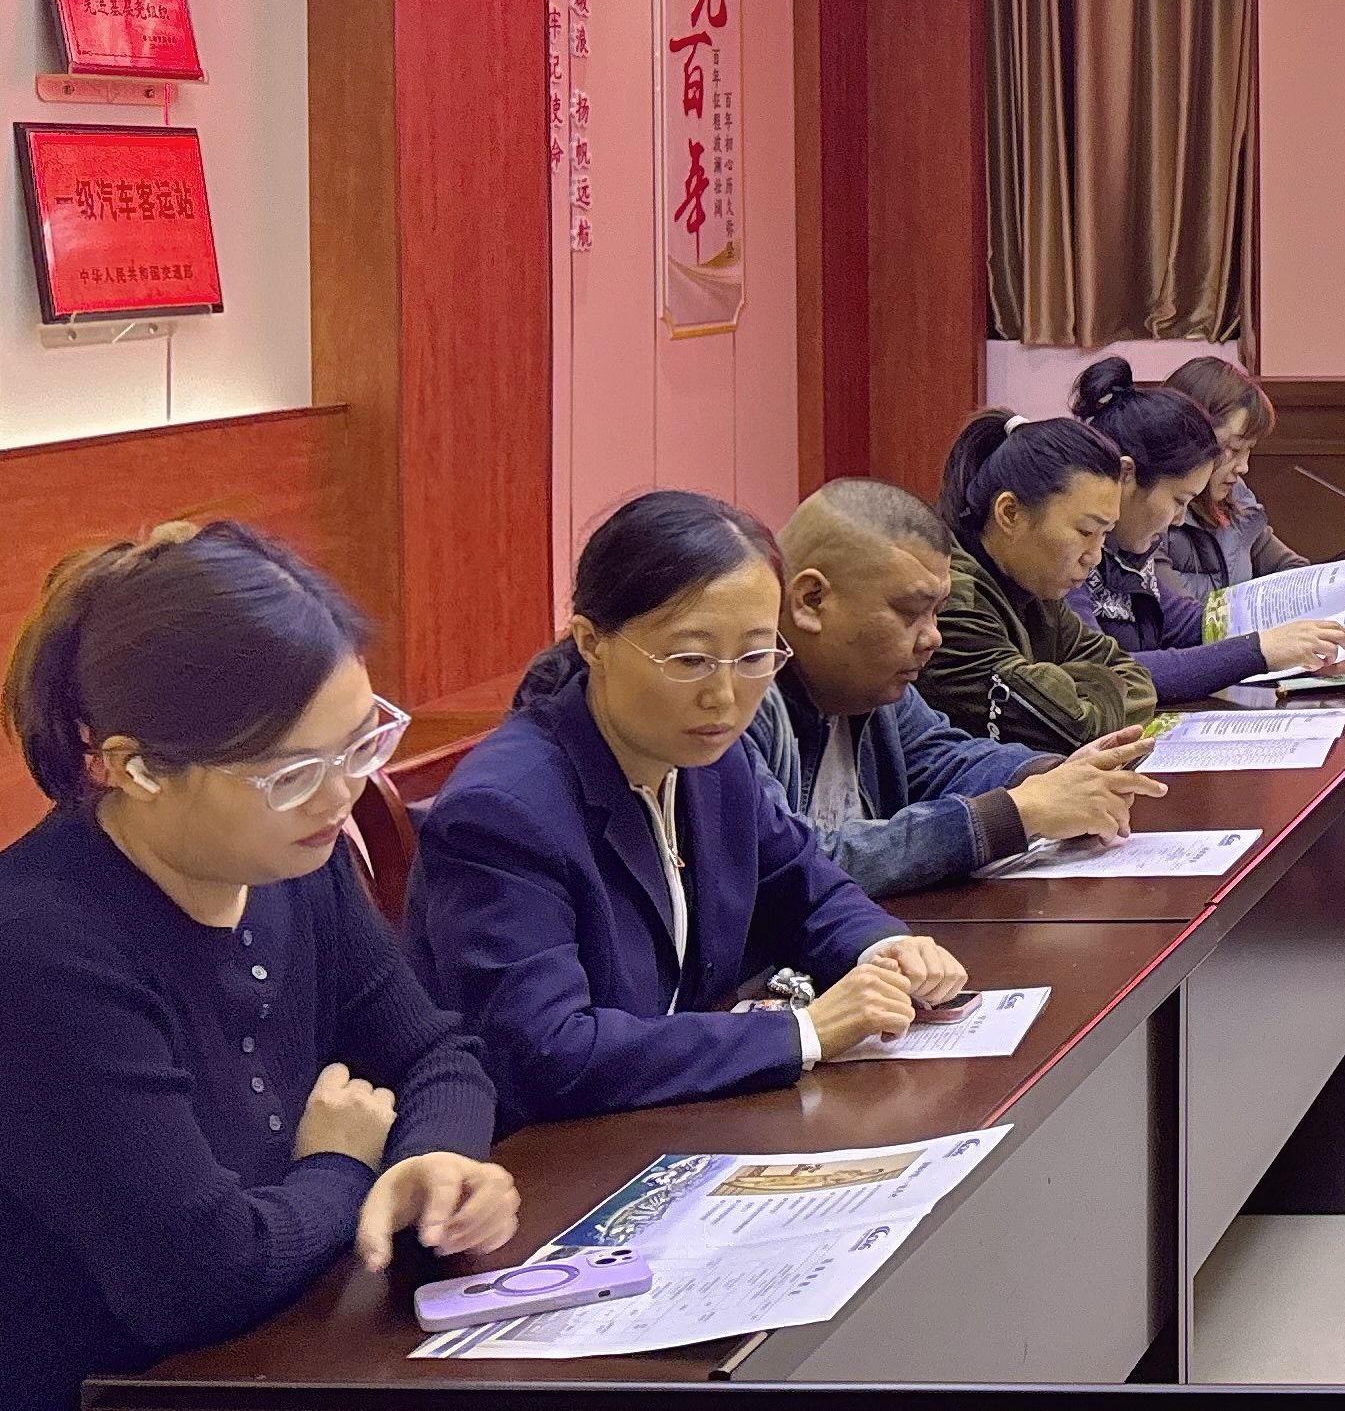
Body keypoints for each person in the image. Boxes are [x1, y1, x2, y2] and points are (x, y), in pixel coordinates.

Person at [0, 525, 520, 1411]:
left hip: (195, 1405)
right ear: (134, 767)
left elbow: (437, 1053)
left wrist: (433, 1160)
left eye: (360, 743)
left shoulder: (288, 864)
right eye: (292, 771)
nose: (342, 793)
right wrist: (344, 1165)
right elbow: (204, 1279)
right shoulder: (33, 957)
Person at [412, 490, 967, 1122]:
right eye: (690, 660)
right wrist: (802, 1033)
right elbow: (544, 1053)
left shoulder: (715, 760)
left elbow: (803, 885)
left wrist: (880, 948)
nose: (724, 697)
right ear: (592, 642)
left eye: (755, 656)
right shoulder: (502, 812)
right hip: (554, 1149)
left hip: (673, 1110)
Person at [749, 478, 1167, 897]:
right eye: (910, 612)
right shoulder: (737, 702)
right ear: (812, 600)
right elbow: (788, 867)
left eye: (937, 612)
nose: (933, 637)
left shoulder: (867, 685)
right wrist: (1016, 813)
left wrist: (1054, 777)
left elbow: (942, 758)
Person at [1066, 359, 1345, 708]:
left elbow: (1190, 625)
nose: (1178, 519)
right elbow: (1107, 674)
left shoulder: (1127, 551)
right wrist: (1259, 650)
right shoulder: (1070, 557)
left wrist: (1326, 612)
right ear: (1127, 476)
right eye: (1178, 500)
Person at [914, 411, 1160, 751]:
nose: (1094, 556)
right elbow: (1071, 730)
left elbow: (1137, 679)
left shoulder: (1034, 587)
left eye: (1104, 534)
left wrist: (1066, 685)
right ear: (1010, 513)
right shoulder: (949, 602)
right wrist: (1095, 681)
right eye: (1086, 531)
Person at [1151, 354, 1345, 593]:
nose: (1243, 467)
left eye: (1249, 449)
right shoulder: (1152, 510)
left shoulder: (1235, 496)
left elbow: (1290, 569)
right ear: (1191, 437)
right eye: (1234, 449)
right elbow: (1178, 612)